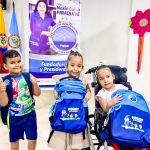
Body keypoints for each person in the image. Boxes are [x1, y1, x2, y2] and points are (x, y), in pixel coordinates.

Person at [48, 50, 92, 150]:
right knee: (62, 138)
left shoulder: (84, 78)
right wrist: (56, 94)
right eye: (72, 65)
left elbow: (89, 91)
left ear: (82, 67)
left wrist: (87, 97)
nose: (75, 68)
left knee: (77, 139)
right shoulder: (61, 78)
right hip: (64, 110)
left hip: (79, 110)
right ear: (66, 65)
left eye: (79, 66)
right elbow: (56, 93)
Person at [0, 49, 41, 150]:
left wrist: (35, 84)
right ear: (5, 66)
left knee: (33, 138)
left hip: (30, 114)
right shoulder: (4, 81)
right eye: (12, 63)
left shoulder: (28, 76)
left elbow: (37, 94)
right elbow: (4, 103)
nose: (17, 64)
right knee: (14, 140)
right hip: (14, 117)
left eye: (18, 61)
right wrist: (2, 91)